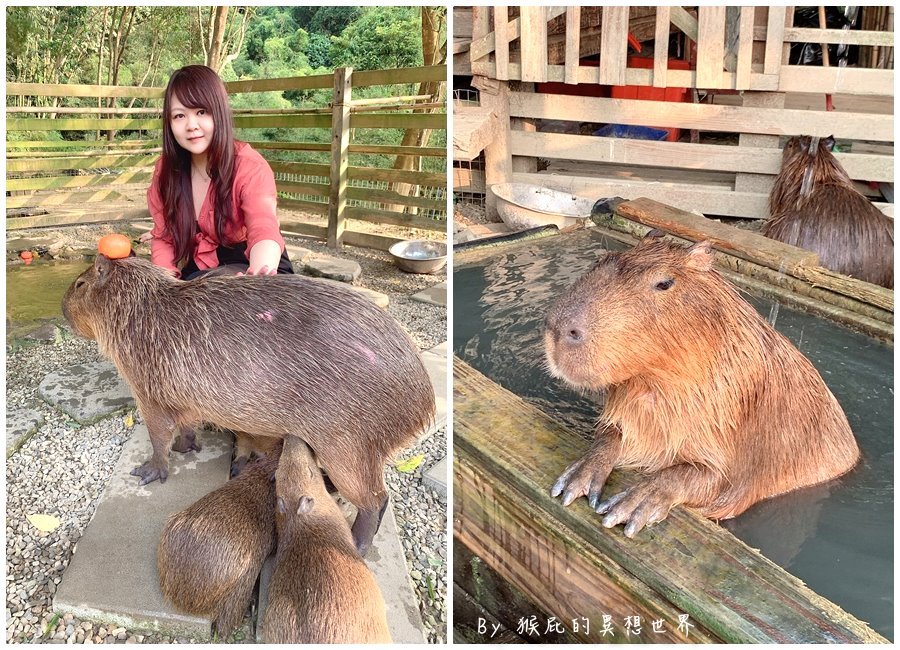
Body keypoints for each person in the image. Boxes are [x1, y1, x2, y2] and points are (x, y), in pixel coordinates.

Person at [146, 64, 293, 279]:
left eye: (201, 112)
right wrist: (164, 286)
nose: (191, 125)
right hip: (205, 266)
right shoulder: (166, 171)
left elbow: (263, 227)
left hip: (255, 267)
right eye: (179, 116)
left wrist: (259, 275)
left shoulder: (249, 166)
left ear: (219, 112)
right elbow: (164, 238)